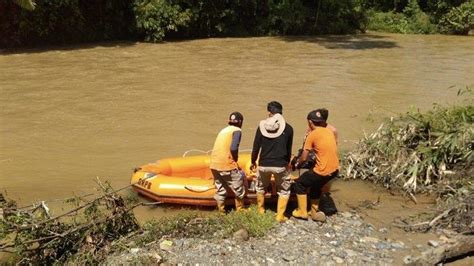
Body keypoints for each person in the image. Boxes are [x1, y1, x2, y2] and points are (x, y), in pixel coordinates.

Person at [292, 109, 339, 222]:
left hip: (322, 170)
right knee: (316, 186)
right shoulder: (329, 131)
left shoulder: (312, 135)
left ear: (310, 122)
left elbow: (304, 157)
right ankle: (314, 212)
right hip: (334, 170)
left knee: (300, 184)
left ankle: (302, 211)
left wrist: (297, 165)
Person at [251, 101, 293, 222]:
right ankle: (280, 215)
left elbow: (256, 147)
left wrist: (253, 161)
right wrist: (287, 163)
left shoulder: (261, 127)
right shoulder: (289, 128)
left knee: (260, 187)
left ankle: (261, 210)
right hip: (280, 165)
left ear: (269, 113)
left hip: (264, 164)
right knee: (284, 190)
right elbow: (288, 150)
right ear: (281, 112)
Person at [210, 112, 246, 213]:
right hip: (226, 164)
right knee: (238, 185)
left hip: (214, 164)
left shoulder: (223, 130)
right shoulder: (237, 130)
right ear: (240, 122)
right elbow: (234, 148)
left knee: (220, 189)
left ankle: (221, 211)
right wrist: (235, 159)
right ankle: (240, 209)